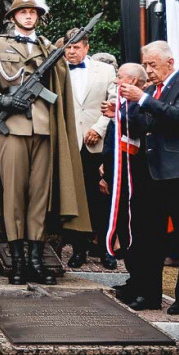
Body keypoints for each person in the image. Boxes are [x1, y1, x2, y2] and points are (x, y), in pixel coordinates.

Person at [0, 0, 89, 286]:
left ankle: (36, 259)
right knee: (14, 196)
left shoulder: (48, 47)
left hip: (44, 128)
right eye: (23, 12)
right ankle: (16, 261)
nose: (29, 16)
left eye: (33, 12)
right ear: (13, 17)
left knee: (38, 198)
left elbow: (60, 87)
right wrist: (0, 100)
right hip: (12, 128)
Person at [114, 40, 179, 315]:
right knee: (150, 238)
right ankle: (150, 294)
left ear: (170, 62)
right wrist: (122, 110)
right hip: (150, 174)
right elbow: (148, 124)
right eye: (146, 65)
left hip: (178, 174)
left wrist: (142, 99)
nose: (148, 70)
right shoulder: (152, 91)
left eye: (152, 64)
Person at [63, 27, 116, 270]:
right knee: (75, 200)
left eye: (76, 47)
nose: (72, 51)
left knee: (101, 199)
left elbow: (114, 102)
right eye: (68, 47)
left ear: (86, 47)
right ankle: (78, 250)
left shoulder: (105, 70)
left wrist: (100, 128)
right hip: (69, 143)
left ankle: (106, 249)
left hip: (98, 143)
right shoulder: (58, 69)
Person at [101, 63, 148, 303]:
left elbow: (138, 130)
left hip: (133, 177)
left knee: (133, 230)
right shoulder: (120, 103)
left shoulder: (140, 104)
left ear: (133, 80)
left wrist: (119, 114)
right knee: (122, 226)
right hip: (116, 173)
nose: (116, 80)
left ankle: (140, 281)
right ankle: (133, 279)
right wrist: (104, 167)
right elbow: (113, 139)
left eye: (119, 76)